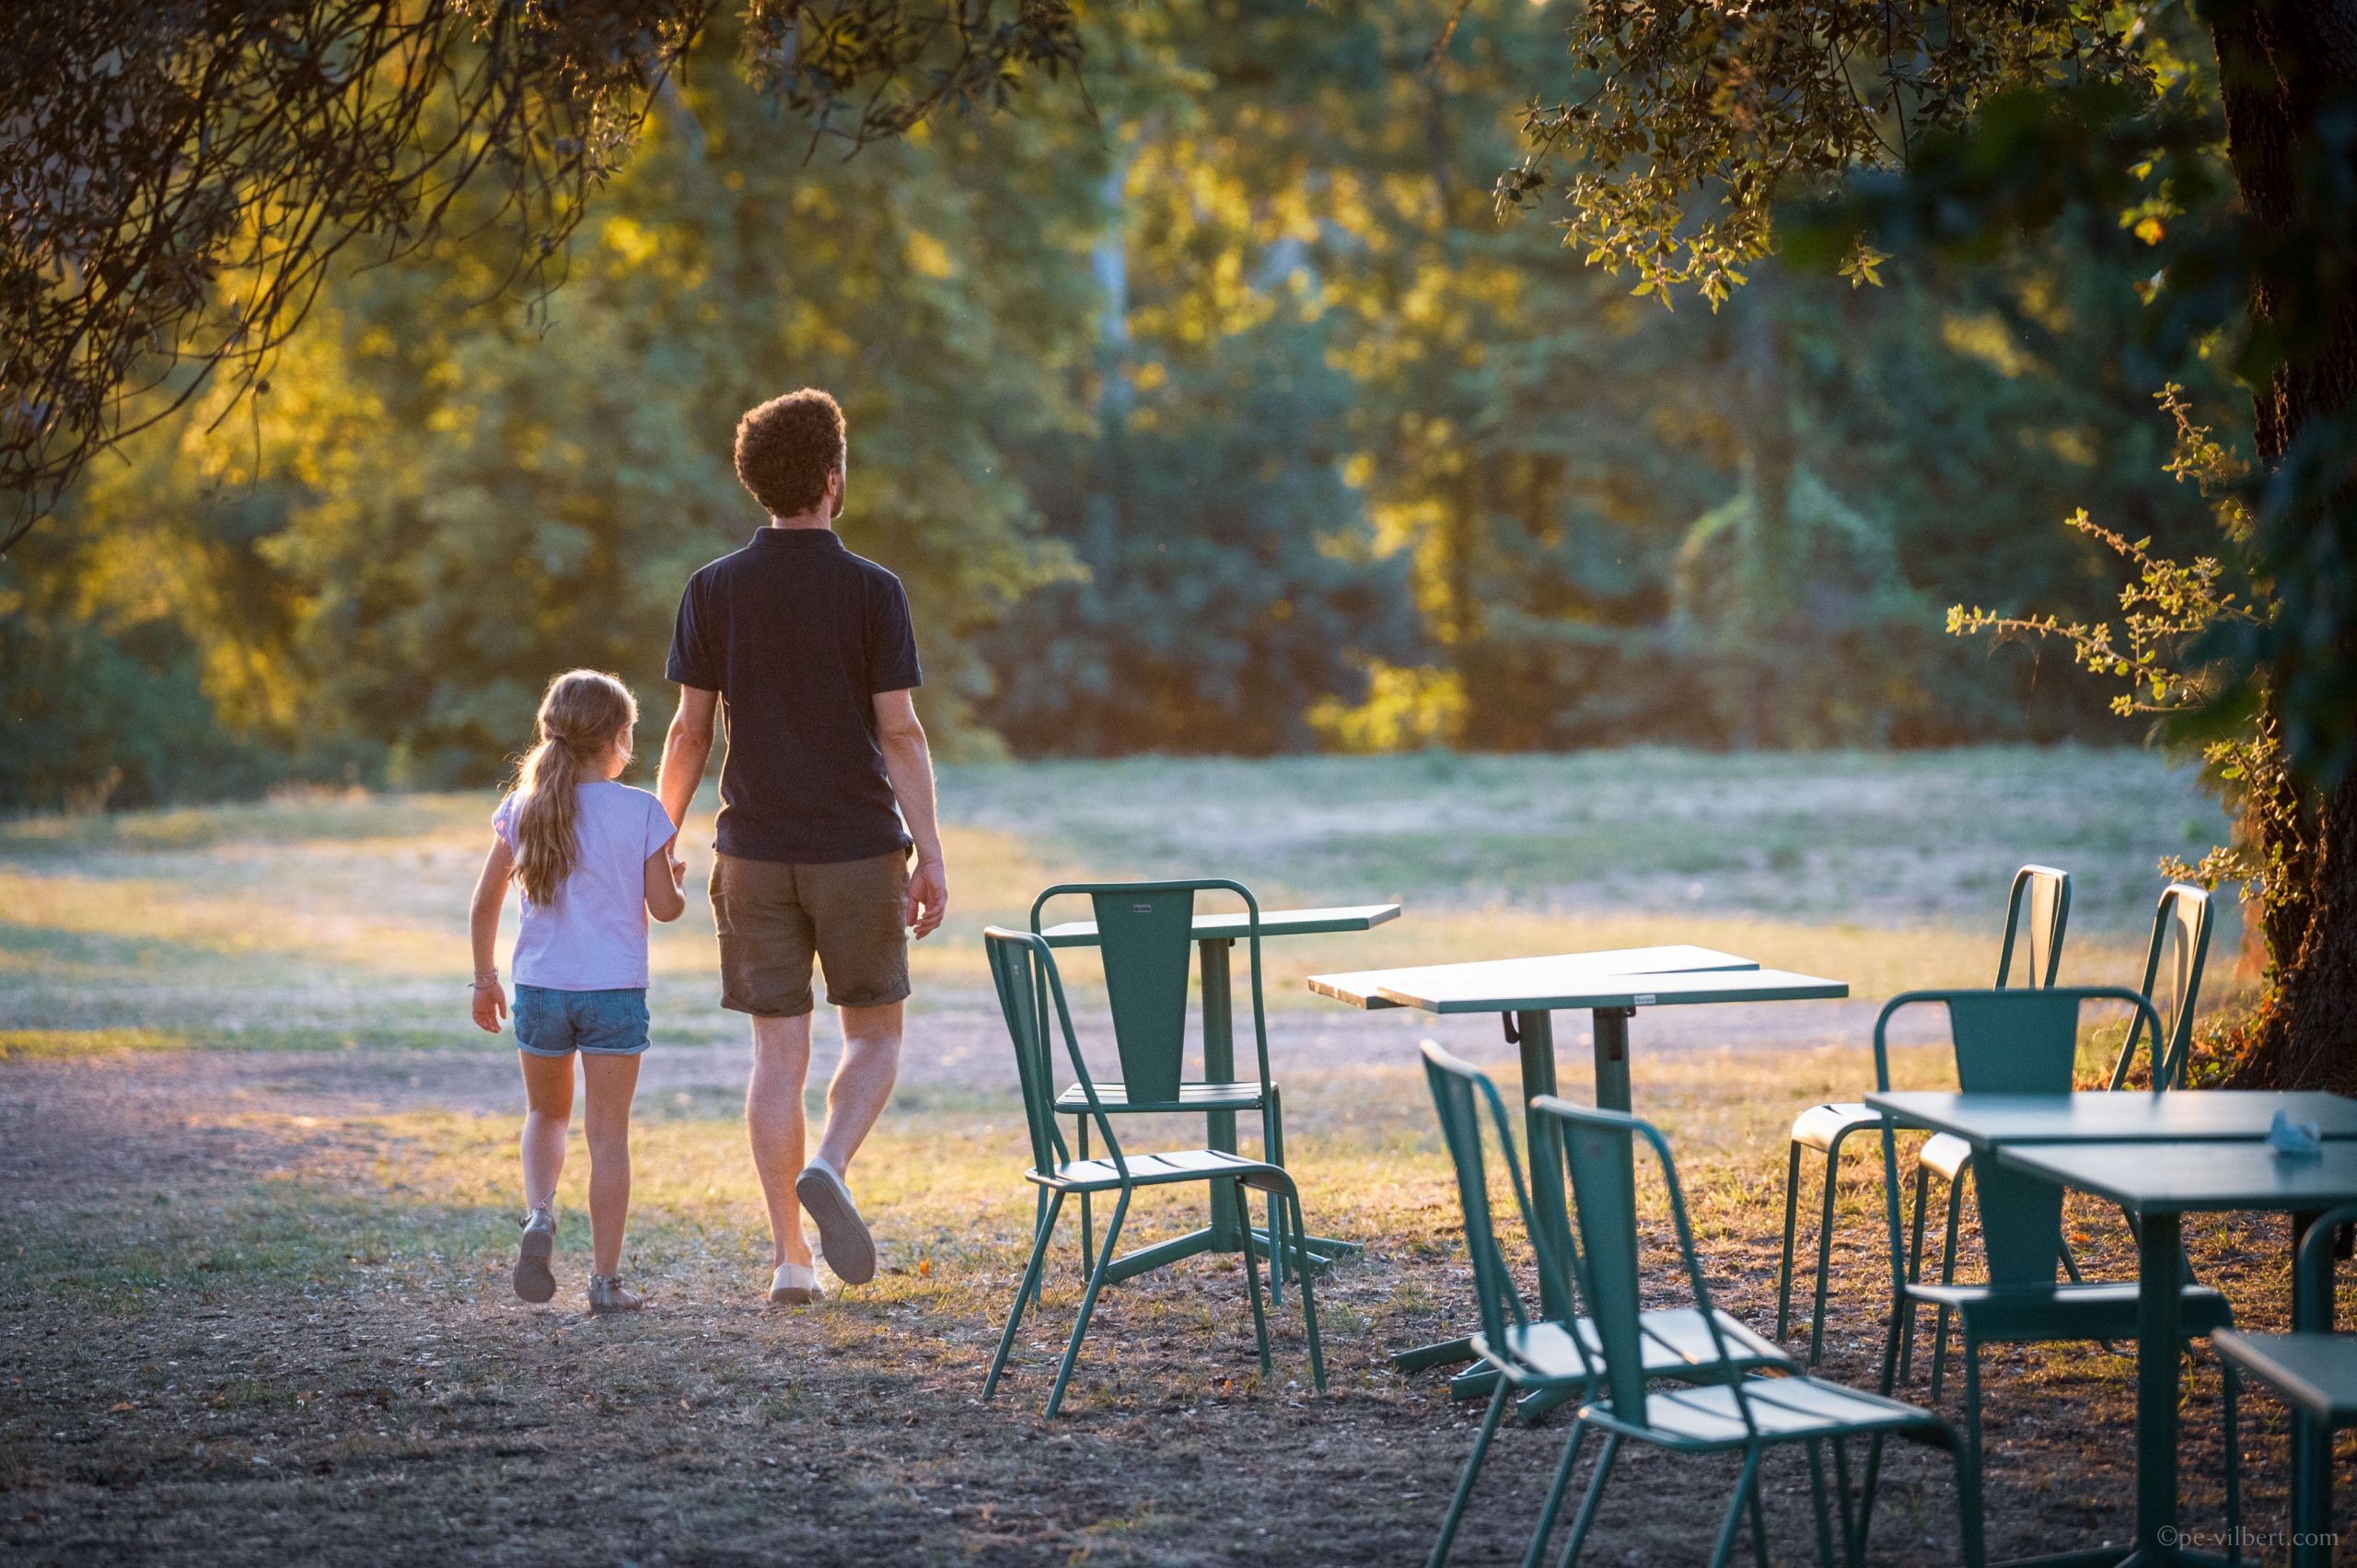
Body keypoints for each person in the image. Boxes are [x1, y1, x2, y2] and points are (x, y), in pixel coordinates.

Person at [656, 388, 946, 1307]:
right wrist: (930, 851)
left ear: (758, 484)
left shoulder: (712, 587)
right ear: (832, 477)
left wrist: (660, 834)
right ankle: (828, 1160)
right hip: (857, 849)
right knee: (873, 1036)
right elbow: (899, 732)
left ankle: (791, 1259)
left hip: (751, 851)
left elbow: (687, 733)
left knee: (774, 1058)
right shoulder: (873, 590)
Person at [468, 668, 686, 1314]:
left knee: (546, 1114)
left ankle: (539, 1213)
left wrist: (485, 980)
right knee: (608, 1135)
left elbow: (483, 906)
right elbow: (666, 909)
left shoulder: (524, 806)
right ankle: (605, 1282)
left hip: (540, 988)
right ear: (619, 737)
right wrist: (674, 872)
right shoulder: (642, 810)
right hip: (614, 992)